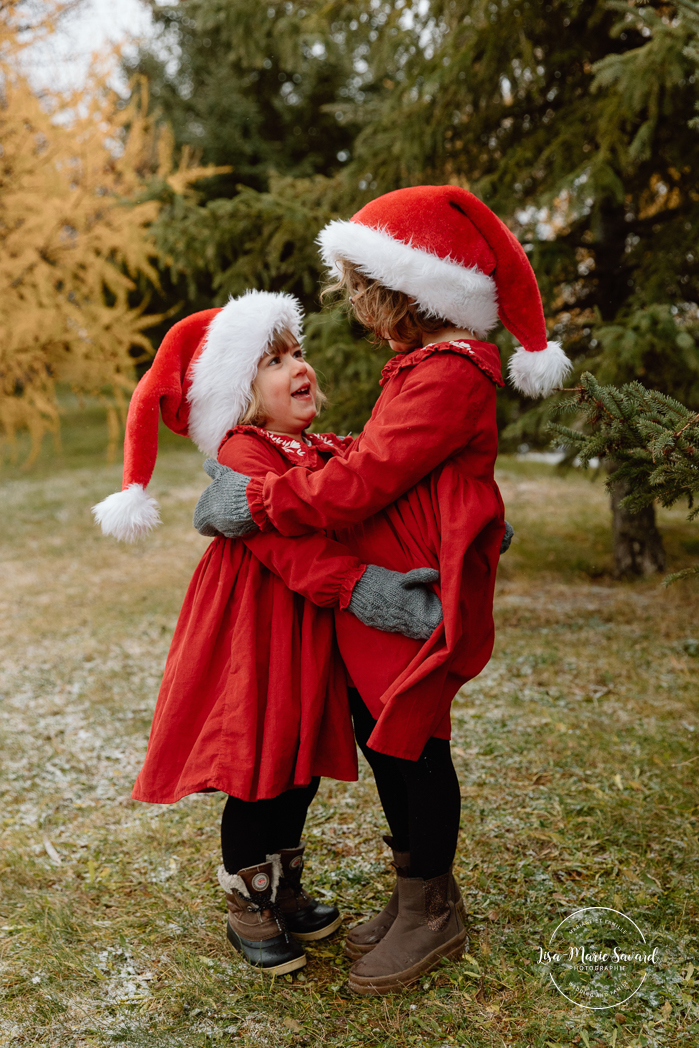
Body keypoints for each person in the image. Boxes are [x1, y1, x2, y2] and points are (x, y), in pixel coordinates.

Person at [191, 186, 571, 993]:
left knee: (413, 746)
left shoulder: (450, 374)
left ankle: (433, 911)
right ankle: (413, 900)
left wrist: (255, 501)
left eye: (363, 293)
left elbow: (363, 480)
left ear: (404, 293)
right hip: (389, 586)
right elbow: (377, 458)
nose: (359, 311)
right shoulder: (423, 370)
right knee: (385, 738)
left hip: (413, 593)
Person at [92, 289, 443, 977]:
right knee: (258, 766)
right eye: (274, 360)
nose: (297, 366)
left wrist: (456, 523)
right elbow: (292, 552)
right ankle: (248, 901)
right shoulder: (243, 452)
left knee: (300, 762)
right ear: (237, 394)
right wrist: (356, 588)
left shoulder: (316, 444)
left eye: (297, 352)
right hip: (256, 625)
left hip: (307, 629)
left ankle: (285, 886)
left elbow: (378, 482)